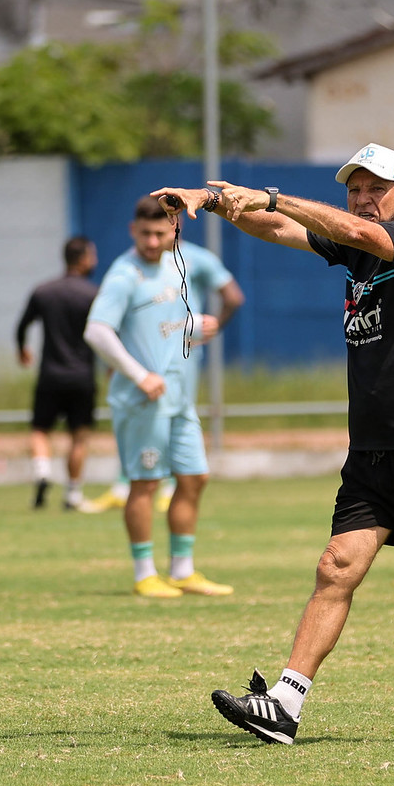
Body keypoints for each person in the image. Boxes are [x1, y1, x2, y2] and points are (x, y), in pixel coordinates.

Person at [150, 142, 394, 744]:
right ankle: (284, 703)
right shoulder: (355, 254)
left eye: (376, 188)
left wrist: (273, 194)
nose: (363, 198)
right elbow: (279, 226)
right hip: (374, 453)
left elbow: (314, 218)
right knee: (336, 568)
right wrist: (217, 200)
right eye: (354, 190)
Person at [84, 195, 238, 599]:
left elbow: (162, 325)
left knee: (194, 478)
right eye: (145, 234)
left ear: (174, 232)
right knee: (146, 483)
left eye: (160, 234)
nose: (152, 242)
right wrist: (139, 375)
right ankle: (144, 573)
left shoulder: (177, 265)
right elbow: (97, 331)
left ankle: (183, 570)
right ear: (133, 231)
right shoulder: (124, 274)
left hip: (179, 397)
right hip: (142, 399)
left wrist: (196, 327)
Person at [16, 236, 99, 511]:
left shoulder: (43, 291)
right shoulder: (93, 294)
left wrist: (22, 349)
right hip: (82, 376)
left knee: (41, 430)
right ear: (84, 258)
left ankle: (42, 473)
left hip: (50, 376)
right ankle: (73, 494)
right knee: (79, 436)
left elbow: (21, 326)